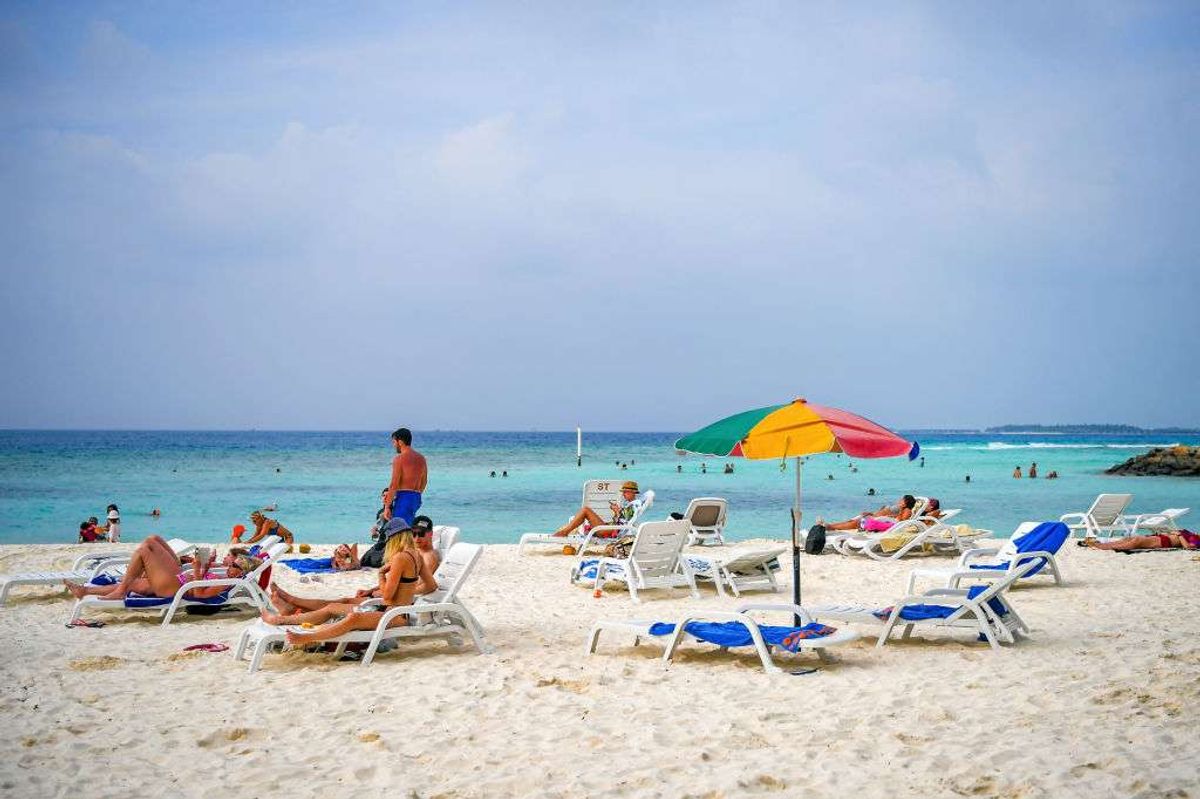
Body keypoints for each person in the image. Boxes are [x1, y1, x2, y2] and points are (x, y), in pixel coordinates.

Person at [263, 523, 437, 646]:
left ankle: (307, 637)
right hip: (392, 611)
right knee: (333, 606)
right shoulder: (416, 555)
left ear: (394, 538)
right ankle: (283, 618)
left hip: (394, 616)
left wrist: (381, 574)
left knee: (353, 618)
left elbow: (387, 596)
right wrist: (406, 590)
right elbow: (431, 586)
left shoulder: (400, 558)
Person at [65, 536, 262, 601]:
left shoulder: (225, 583)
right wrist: (204, 565)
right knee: (153, 539)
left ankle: (120, 591)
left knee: (145, 549)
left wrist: (195, 570)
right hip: (177, 579)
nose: (231, 565)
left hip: (174, 587)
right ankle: (85, 591)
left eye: (235, 565)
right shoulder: (223, 575)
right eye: (233, 563)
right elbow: (199, 583)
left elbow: (199, 593)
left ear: (241, 573)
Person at [551, 480, 643, 537]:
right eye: (623, 492)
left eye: (626, 492)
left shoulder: (634, 505)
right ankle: (565, 531)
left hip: (612, 530)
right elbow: (621, 520)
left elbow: (625, 522)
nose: (623, 494)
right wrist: (616, 512)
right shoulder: (630, 504)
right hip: (611, 527)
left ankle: (565, 532)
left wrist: (617, 512)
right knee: (586, 511)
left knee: (586, 510)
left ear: (633, 492)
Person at [381, 428, 428, 535]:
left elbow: (394, 484)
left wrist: (387, 507)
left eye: (394, 442)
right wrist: (416, 494)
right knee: (409, 528)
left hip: (403, 497)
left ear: (400, 442)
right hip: (416, 497)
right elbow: (424, 481)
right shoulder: (421, 458)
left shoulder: (399, 459)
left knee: (399, 532)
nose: (394, 445)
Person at [820, 495, 918, 532]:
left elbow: (900, 522)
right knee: (853, 521)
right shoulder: (902, 509)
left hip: (884, 523)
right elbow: (896, 517)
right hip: (881, 519)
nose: (900, 501)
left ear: (906, 503)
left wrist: (886, 516)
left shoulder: (907, 510)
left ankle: (830, 527)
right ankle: (830, 526)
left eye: (902, 500)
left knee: (855, 523)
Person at [1084, 530, 1200, 551]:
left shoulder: (1197, 539)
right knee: (1129, 538)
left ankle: (1101, 546)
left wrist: (1179, 535)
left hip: (1163, 542)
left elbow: (1189, 547)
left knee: (1135, 542)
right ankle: (1103, 544)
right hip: (1160, 537)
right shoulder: (1191, 533)